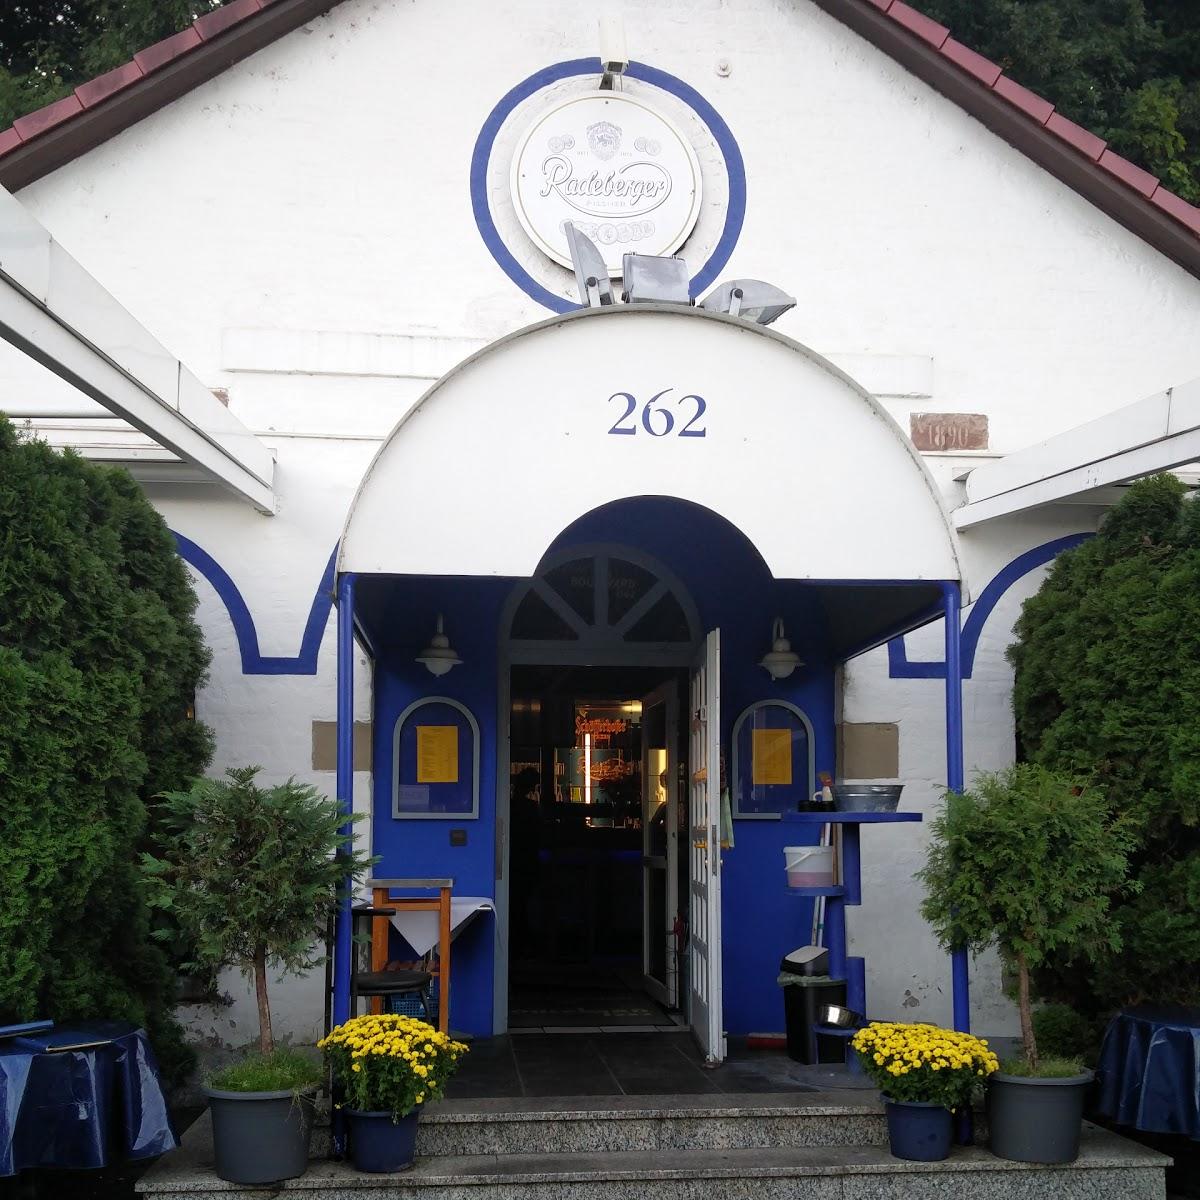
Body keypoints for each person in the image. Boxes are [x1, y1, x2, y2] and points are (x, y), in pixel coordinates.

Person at [509, 768, 541, 959]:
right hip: (527, 861)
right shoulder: (530, 808)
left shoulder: (510, 806)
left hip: (514, 860)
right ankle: (521, 943)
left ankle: (517, 943)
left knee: (517, 903)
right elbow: (538, 834)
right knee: (522, 903)